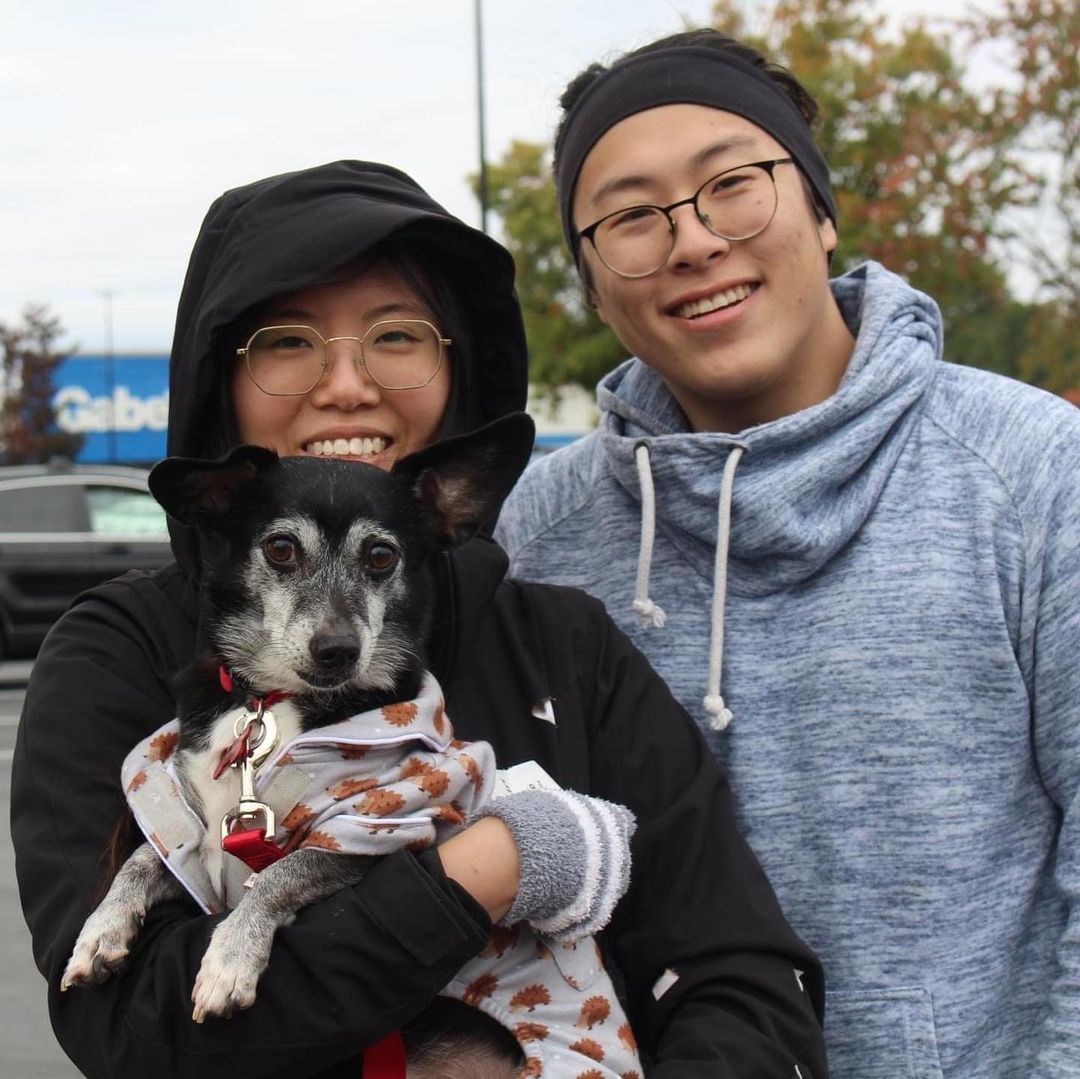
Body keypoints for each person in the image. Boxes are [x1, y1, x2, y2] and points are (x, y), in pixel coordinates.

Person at [11, 159, 829, 1078]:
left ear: (456, 366)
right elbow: (133, 1028)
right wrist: (481, 872)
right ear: (221, 380)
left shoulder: (568, 647)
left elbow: (740, 977)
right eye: (288, 341)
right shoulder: (116, 654)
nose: (348, 383)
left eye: (396, 335)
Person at [496, 26, 1080, 1079]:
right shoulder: (539, 534)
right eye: (632, 217)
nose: (694, 242)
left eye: (734, 184)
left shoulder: (1034, 476)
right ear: (591, 278)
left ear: (819, 207)